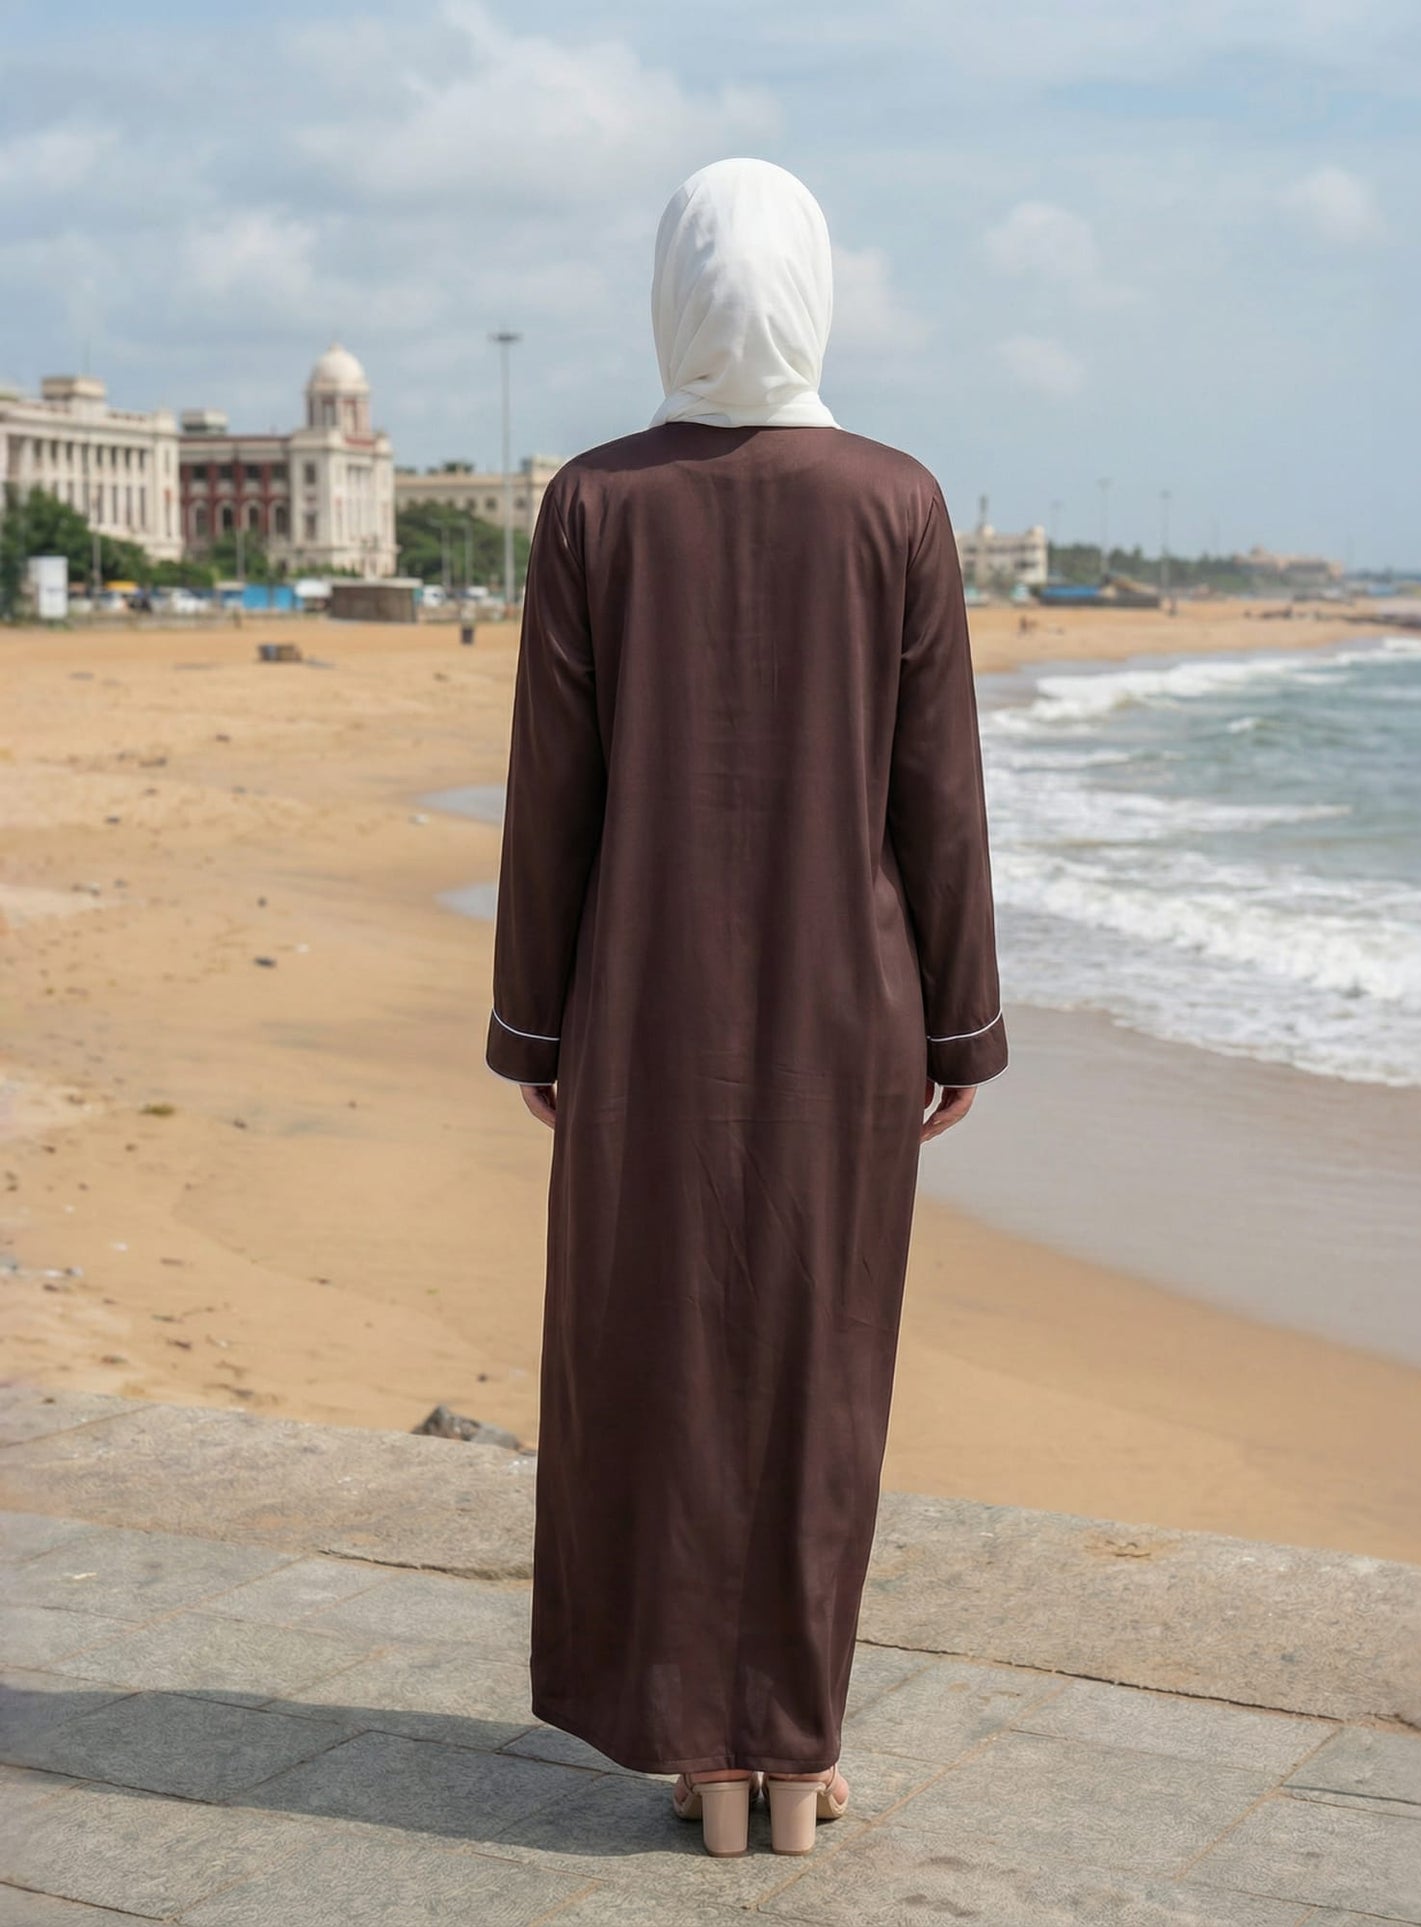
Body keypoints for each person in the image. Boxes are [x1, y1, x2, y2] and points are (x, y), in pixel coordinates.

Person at [486, 155, 1007, 1858]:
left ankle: (709, 1758)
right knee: (816, 1371)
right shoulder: (896, 500)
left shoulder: (595, 504)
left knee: (657, 1366)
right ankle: (793, 1757)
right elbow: (937, 800)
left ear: (672, 289)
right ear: (812, 288)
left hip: (639, 1010)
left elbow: (550, 798)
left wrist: (536, 1033)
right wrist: (959, 1032)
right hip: (846, 1020)